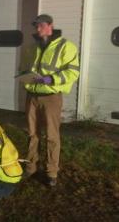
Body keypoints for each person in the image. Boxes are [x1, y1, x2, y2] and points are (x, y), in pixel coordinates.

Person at [24, 14, 80, 186]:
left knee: (51, 136)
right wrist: (24, 77)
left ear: (50, 26)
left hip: (51, 98)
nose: (37, 29)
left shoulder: (66, 46)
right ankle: (31, 168)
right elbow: (25, 69)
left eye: (41, 25)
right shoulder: (32, 47)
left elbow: (73, 72)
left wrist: (51, 79)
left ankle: (51, 173)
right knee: (32, 134)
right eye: (36, 26)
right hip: (32, 96)